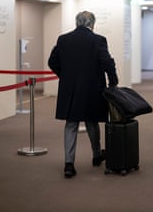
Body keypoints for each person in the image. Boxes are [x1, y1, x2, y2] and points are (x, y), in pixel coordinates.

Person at [48, 10, 119, 178]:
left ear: (76, 23)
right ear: (91, 24)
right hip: (92, 88)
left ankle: (69, 164)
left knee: (71, 124)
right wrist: (113, 82)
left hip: (70, 89)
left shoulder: (63, 39)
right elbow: (107, 62)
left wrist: (65, 77)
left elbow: (52, 62)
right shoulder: (98, 40)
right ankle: (96, 155)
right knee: (92, 121)